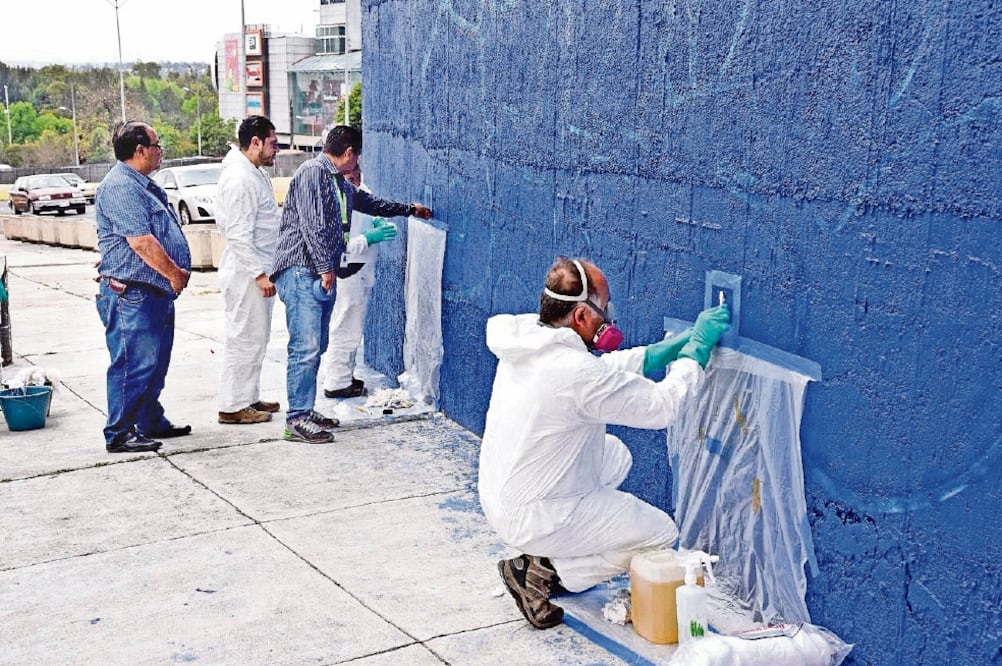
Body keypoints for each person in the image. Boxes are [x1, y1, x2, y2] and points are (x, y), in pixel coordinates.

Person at [478, 256, 730, 629]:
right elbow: (662, 407)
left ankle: (551, 550)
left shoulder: (529, 340)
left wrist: (663, 351)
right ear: (580, 317)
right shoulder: (574, 371)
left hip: (503, 491)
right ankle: (542, 570)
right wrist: (695, 354)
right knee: (660, 533)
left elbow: (601, 373)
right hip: (534, 513)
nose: (608, 319)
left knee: (615, 455)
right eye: (604, 310)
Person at [270, 125, 431, 443]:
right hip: (303, 271)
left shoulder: (335, 182)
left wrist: (408, 210)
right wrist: (326, 268)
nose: (357, 161)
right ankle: (296, 419)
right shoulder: (314, 173)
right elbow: (314, 226)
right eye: (357, 156)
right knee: (305, 348)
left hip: (314, 272)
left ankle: (305, 408)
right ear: (348, 153)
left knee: (317, 347)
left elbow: (369, 203)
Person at [94, 121, 192, 453]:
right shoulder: (121, 185)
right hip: (132, 294)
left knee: (154, 362)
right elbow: (141, 243)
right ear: (140, 151)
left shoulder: (142, 184)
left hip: (152, 291)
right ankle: (120, 432)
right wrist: (175, 273)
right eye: (156, 144)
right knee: (132, 364)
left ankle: (148, 419)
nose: (160, 150)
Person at [214, 115, 283, 425]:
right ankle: (232, 406)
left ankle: (248, 397)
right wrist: (259, 274)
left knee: (256, 337)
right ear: (255, 142)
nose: (276, 150)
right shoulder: (239, 179)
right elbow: (239, 234)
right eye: (272, 143)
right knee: (244, 337)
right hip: (247, 274)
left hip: (256, 269)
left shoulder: (250, 172)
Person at [320, 164, 396, 399]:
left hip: (361, 269)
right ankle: (336, 382)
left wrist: (376, 223)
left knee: (353, 327)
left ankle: (344, 376)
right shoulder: (332, 200)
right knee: (345, 327)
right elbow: (334, 246)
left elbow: (369, 212)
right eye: (348, 176)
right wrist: (367, 238)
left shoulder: (361, 190)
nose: (354, 179)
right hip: (345, 270)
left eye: (357, 174)